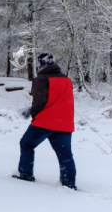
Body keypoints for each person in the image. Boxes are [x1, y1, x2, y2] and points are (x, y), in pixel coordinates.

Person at [13, 52, 77, 190]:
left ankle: (25, 174)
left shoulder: (41, 79)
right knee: (65, 154)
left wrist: (31, 112)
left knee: (27, 144)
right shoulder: (66, 79)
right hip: (65, 122)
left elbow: (40, 101)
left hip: (45, 122)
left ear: (40, 64)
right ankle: (69, 183)